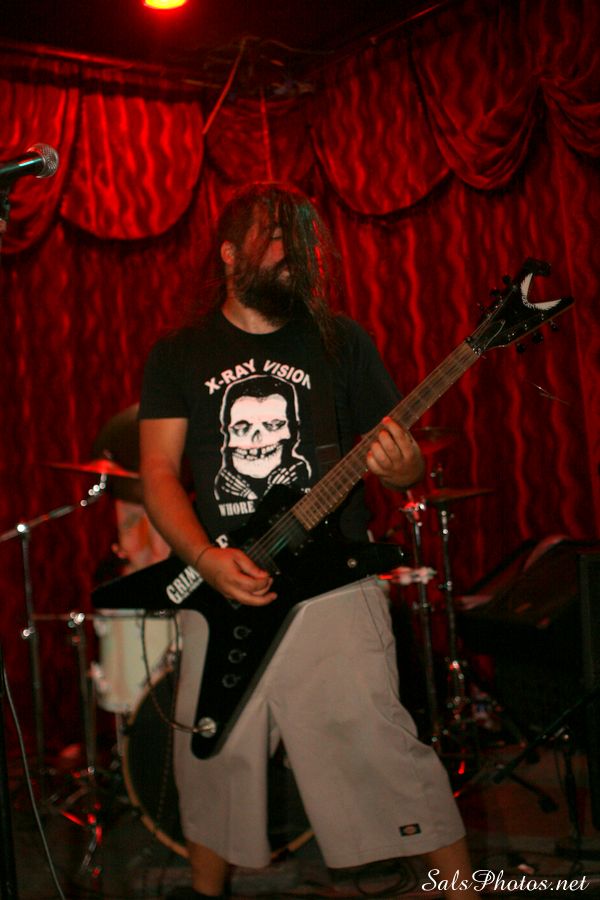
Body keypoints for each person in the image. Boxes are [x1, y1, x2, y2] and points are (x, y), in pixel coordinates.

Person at [139, 183, 478, 899]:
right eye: (274, 235)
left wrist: (404, 467)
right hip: (222, 583)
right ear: (228, 253)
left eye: (301, 238)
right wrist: (205, 559)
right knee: (211, 760)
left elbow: (404, 459)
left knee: (382, 752)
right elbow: (159, 474)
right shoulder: (178, 354)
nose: (293, 250)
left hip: (332, 582)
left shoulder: (340, 340)